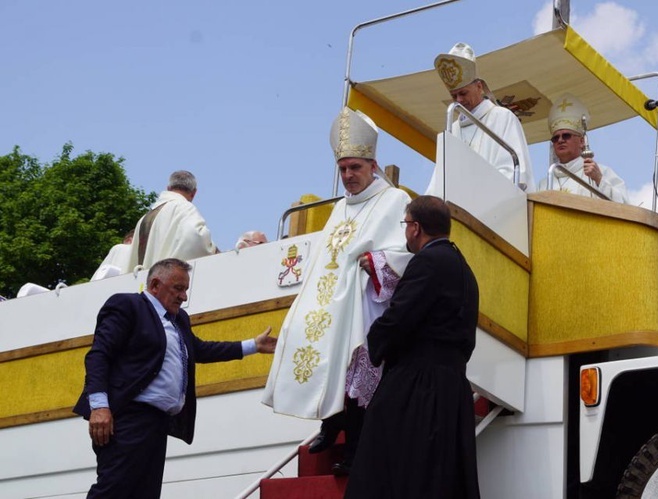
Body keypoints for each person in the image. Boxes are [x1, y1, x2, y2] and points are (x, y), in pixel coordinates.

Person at [262, 107, 412, 475]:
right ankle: (331, 423)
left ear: (373, 165)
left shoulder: (395, 200)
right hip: (330, 301)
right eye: (343, 169)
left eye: (355, 169)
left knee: (357, 370)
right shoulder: (341, 207)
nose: (348, 177)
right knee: (321, 353)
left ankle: (356, 450)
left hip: (365, 301)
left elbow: (405, 252)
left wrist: (375, 263)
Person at [73, 258, 276, 498]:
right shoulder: (127, 305)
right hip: (127, 418)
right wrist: (99, 407)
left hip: (158, 422)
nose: (184, 297)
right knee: (114, 489)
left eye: (186, 290)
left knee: (144, 494)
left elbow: (200, 350)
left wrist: (253, 345)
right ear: (156, 284)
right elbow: (99, 355)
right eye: (178, 288)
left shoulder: (179, 319)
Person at [345, 195, 480, 499]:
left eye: (405, 224)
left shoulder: (428, 262)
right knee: (440, 476)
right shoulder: (464, 268)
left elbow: (398, 320)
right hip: (452, 386)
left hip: (419, 386)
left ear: (416, 228)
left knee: (391, 468)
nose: (405, 231)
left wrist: (375, 339)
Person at [432, 42, 535, 191]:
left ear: (479, 87)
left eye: (463, 93)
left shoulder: (502, 118)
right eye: (454, 96)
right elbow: (439, 181)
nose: (459, 100)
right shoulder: (451, 130)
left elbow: (513, 173)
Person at [538, 93, 630, 203]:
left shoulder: (601, 172)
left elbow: (624, 206)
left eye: (566, 135)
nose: (560, 140)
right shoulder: (544, 184)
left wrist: (599, 179)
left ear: (582, 141)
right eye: (555, 138)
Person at [127, 170, 219, 270]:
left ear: (168, 188)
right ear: (194, 193)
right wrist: (214, 251)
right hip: (167, 277)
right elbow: (195, 237)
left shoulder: (143, 219)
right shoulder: (185, 208)